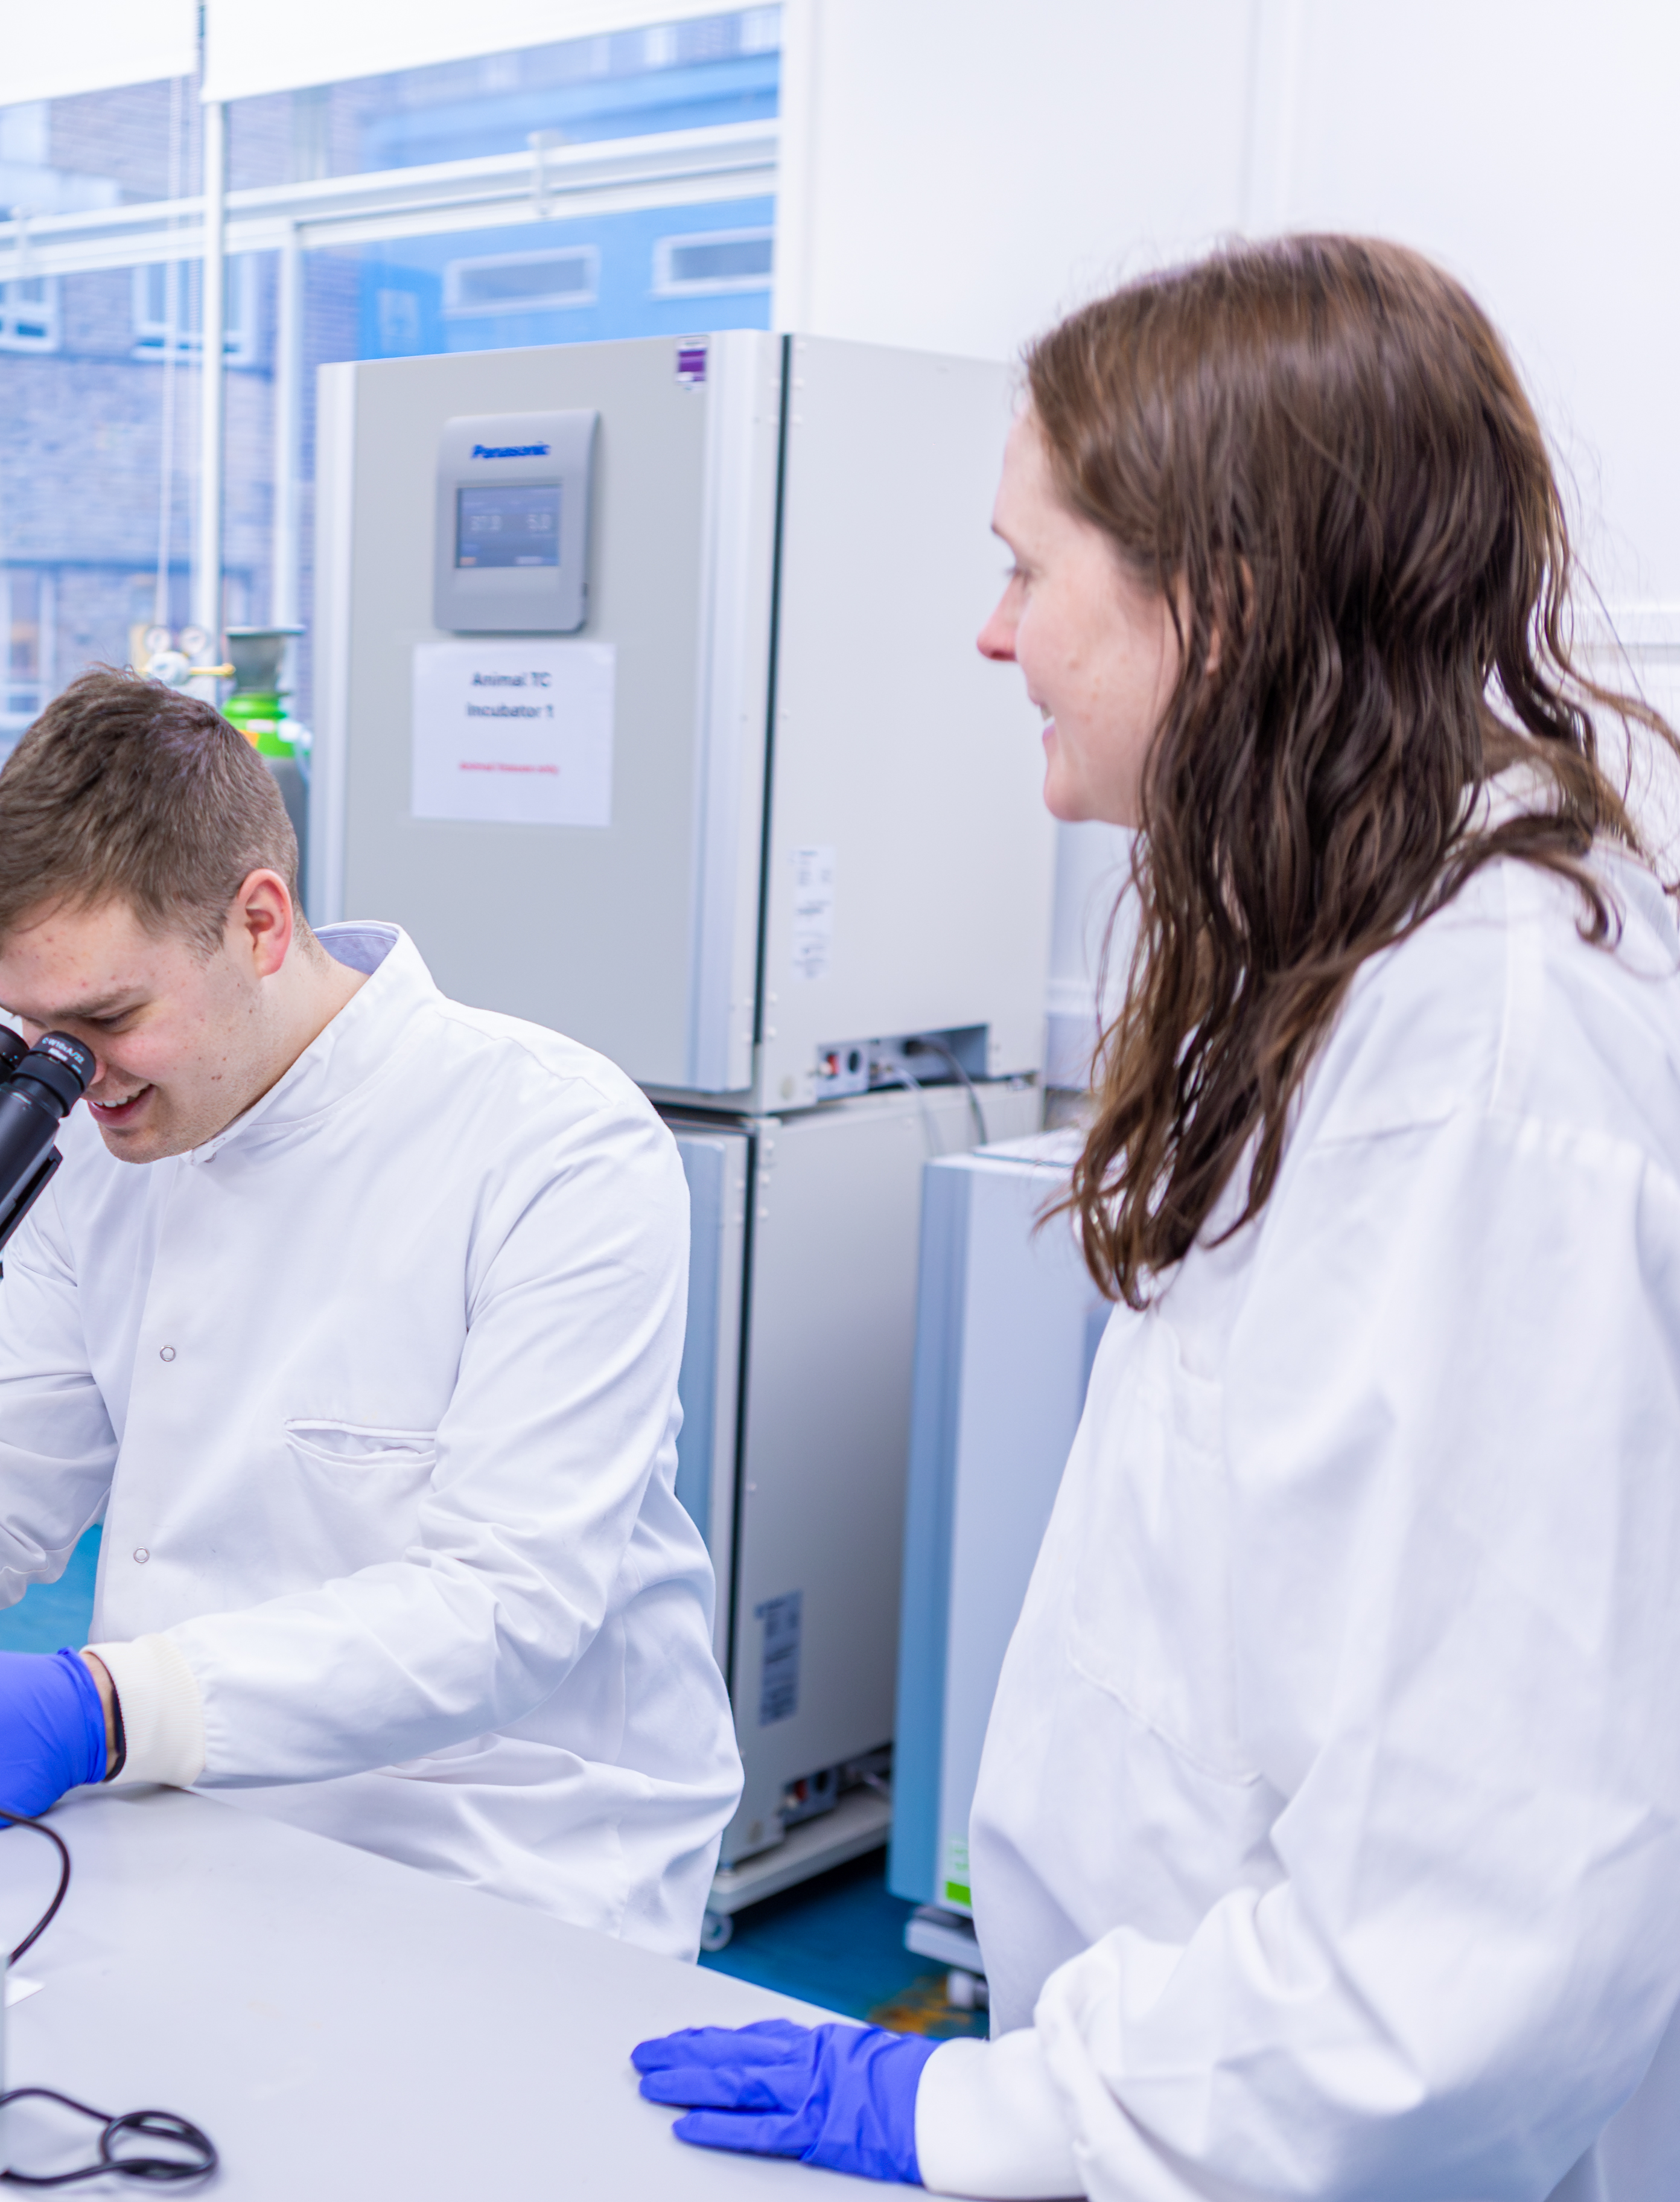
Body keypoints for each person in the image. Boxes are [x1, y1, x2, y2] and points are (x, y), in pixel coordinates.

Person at [632, 235, 1680, 2195]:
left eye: (1032, 568)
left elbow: (1479, 1934)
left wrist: (1023, 2113)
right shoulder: (1344, 963)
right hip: (1188, 2082)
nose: (992, 631)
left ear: (1220, 602)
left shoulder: (1484, 1072)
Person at [0, 668, 740, 1953]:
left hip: (503, 1864)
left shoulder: (555, 1143)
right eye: (33, 1031)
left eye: (107, 1019)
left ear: (261, 922)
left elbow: (504, 1607)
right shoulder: (117, 1148)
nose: (74, 1078)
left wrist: (96, 1707)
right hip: (179, 1800)